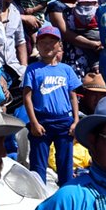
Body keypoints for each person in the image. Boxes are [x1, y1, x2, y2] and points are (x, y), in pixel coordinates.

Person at [24, 26, 82, 186]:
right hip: (42, 120)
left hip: (64, 120)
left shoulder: (66, 70)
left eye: (52, 42)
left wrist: (76, 121)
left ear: (60, 45)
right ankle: (39, 194)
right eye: (43, 42)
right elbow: (27, 97)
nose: (47, 46)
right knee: (38, 165)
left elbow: (73, 96)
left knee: (65, 163)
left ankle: (66, 192)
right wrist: (34, 123)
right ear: (37, 46)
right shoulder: (32, 69)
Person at [49, 0, 101, 77]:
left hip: (96, 59)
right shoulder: (56, 7)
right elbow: (66, 34)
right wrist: (93, 44)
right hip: (72, 60)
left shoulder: (91, 4)